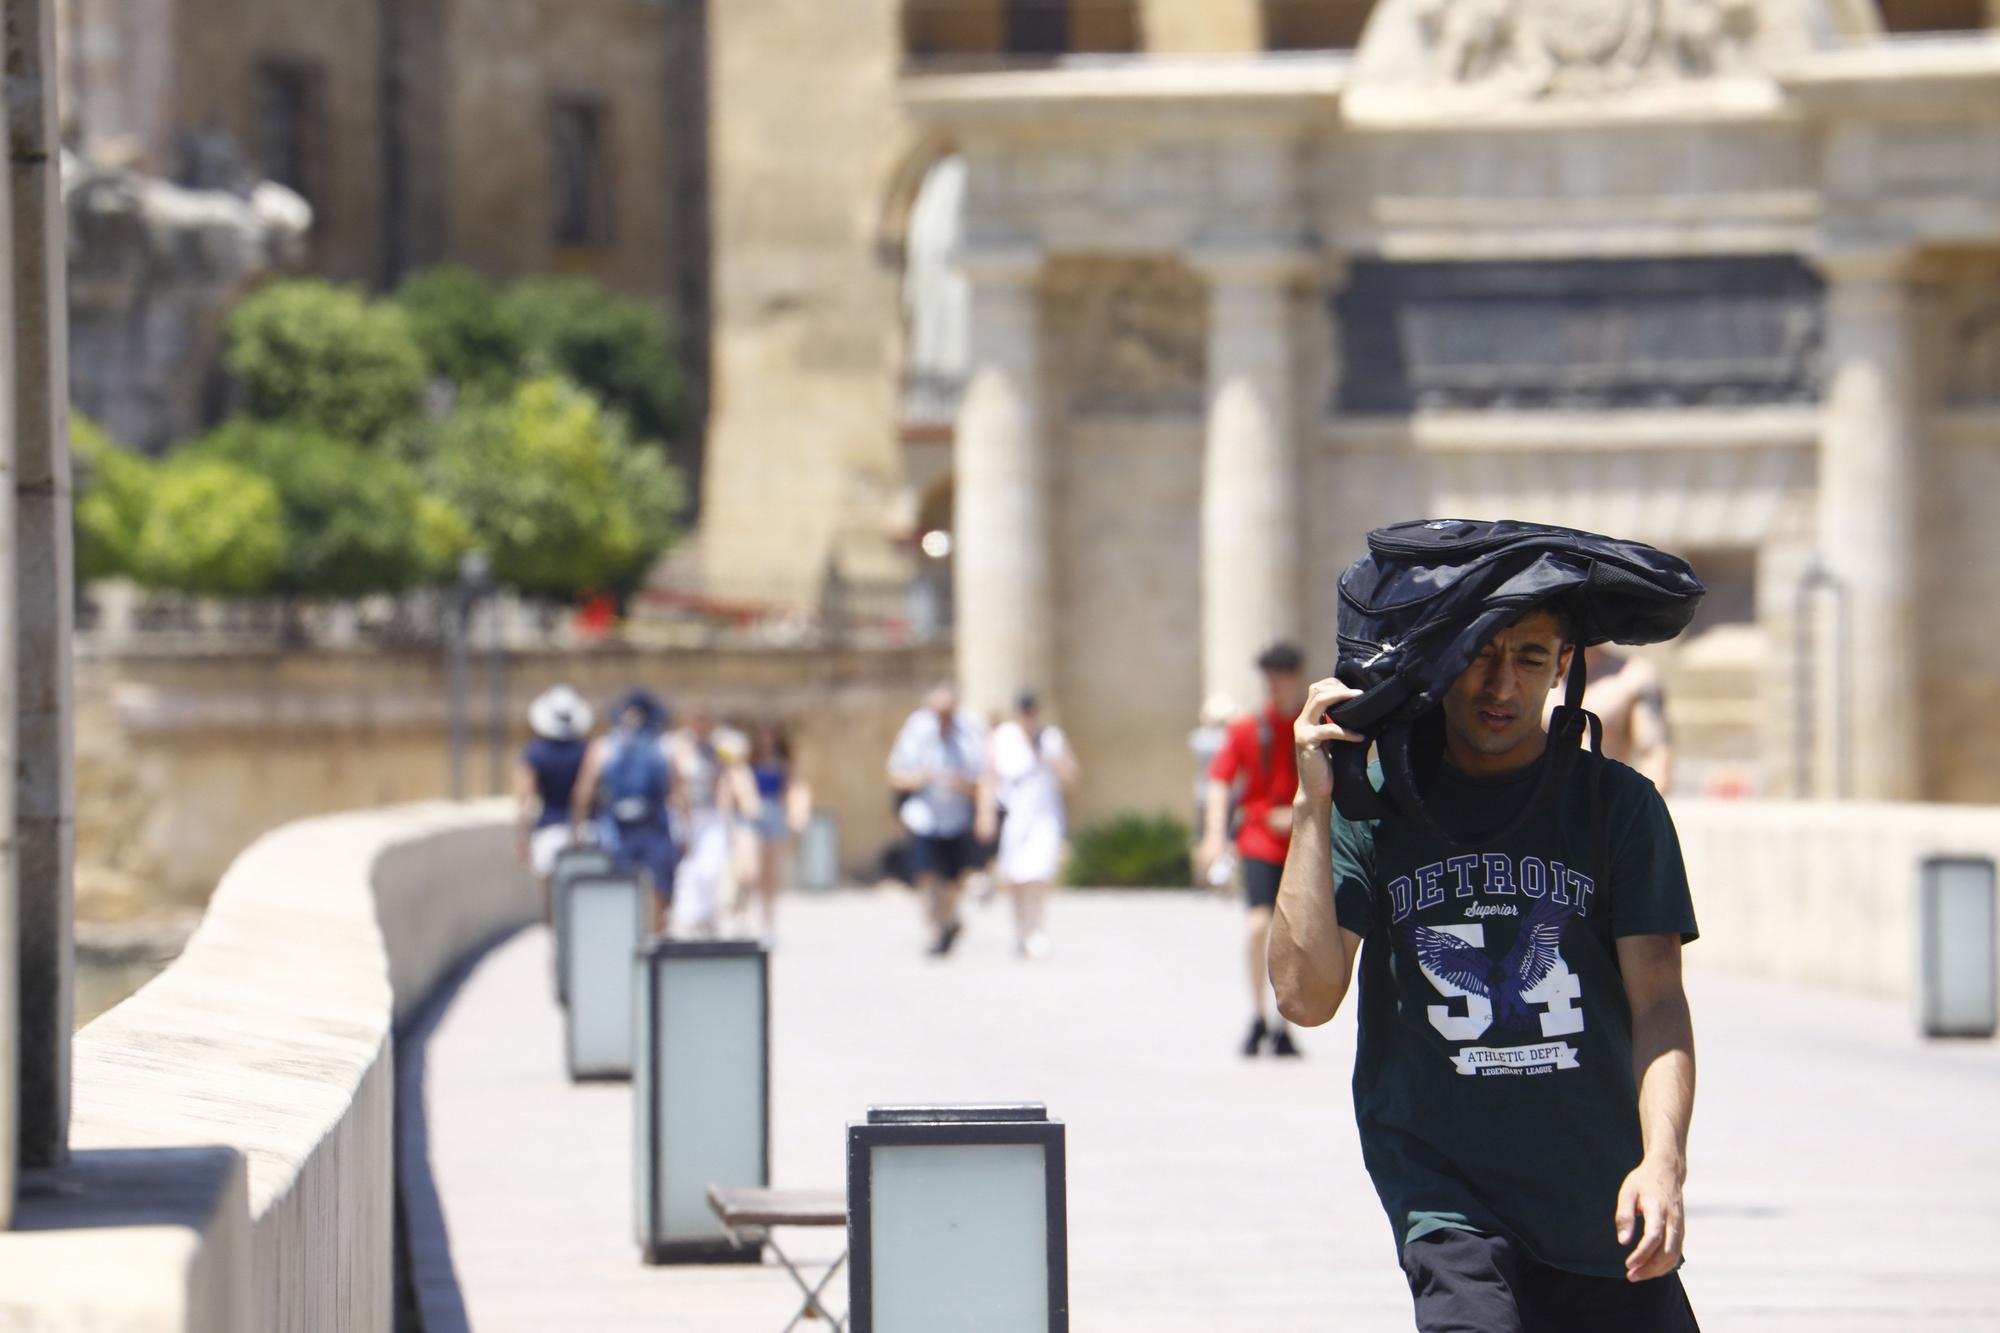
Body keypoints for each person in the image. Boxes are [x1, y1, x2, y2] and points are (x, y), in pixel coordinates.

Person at [1269, 604, 1701, 1332]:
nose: (1502, 684)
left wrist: (1664, 1163)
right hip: (1447, 1196)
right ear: (1440, 659)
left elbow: (1659, 1002)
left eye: (1530, 658)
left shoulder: (1616, 805)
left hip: (1598, 1198)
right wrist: (1315, 804)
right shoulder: (1374, 803)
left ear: (1564, 667)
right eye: (1481, 655)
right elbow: (1305, 998)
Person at [1194, 643, 1307, 1057]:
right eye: (1271, 677)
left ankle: (1284, 1023)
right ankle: (1258, 1014)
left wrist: (1299, 814)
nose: (1276, 684)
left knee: (1292, 935)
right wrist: (1213, 834)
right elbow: (1221, 778)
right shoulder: (1247, 729)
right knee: (1259, 925)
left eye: (1283, 676)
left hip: (1302, 844)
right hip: (1259, 840)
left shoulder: (1311, 724)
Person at [887, 682, 987, 956]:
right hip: (924, 816)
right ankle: (933, 930)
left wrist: (963, 787)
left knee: (953, 881)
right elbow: (895, 773)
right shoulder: (917, 729)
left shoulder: (970, 730)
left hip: (956, 817)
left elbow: (984, 779)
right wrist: (918, 779)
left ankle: (948, 920)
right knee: (926, 876)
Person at [977, 691, 1077, 960]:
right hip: (1014, 816)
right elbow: (989, 777)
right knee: (1015, 876)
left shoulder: (1051, 738)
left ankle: (1037, 929)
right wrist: (985, 813)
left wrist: (1051, 759)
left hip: (1044, 816)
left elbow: (1070, 777)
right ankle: (1020, 930)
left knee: (1039, 874)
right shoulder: (1003, 738)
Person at [570, 690, 676, 935]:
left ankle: (627, 938)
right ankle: (654, 939)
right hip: (655, 828)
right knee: (658, 887)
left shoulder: (604, 746)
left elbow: (583, 792)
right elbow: (677, 791)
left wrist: (577, 828)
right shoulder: (664, 745)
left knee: (620, 887)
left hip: (614, 830)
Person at [667, 709, 757, 939]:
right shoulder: (680, 747)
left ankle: (707, 914)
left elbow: (735, 770)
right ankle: (689, 917)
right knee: (690, 868)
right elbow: (677, 785)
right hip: (688, 816)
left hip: (712, 815)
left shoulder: (719, 749)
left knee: (712, 867)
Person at [1546, 644, 1674, 793]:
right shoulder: (1540, 674)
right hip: (1546, 801)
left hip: (1606, 800)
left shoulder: (1634, 675)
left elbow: (1654, 755)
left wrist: (1635, 809)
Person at [515, 684, 594, 918]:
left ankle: (556, 946)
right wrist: (577, 829)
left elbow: (524, 798)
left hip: (547, 831)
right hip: (581, 831)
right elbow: (583, 795)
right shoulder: (586, 751)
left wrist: (522, 837)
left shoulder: (534, 753)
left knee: (551, 901)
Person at [742, 722, 811, 944]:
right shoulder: (748, 763)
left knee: (769, 874)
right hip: (753, 814)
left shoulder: (782, 764)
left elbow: (791, 788)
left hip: (774, 813)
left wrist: (795, 814)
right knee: (750, 870)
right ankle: (744, 919)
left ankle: (768, 923)